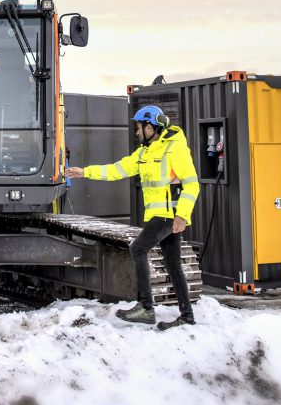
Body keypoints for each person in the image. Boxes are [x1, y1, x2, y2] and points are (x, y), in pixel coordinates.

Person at [65, 105, 200, 330]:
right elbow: (117, 170)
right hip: (160, 215)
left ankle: (146, 307)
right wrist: (85, 172)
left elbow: (192, 184)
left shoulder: (175, 148)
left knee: (138, 248)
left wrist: (182, 216)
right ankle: (187, 315)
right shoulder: (144, 153)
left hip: (169, 215)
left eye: (139, 128)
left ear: (150, 126)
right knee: (173, 264)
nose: (137, 133)